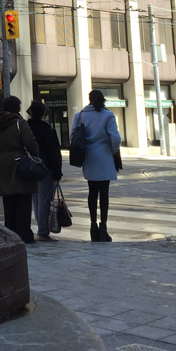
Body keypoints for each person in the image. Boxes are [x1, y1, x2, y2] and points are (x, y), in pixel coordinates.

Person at [0, 96, 39, 244]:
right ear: (17, 107)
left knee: (8, 200)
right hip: (19, 162)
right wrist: (34, 153)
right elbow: (30, 143)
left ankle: (9, 232)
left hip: (1, 163)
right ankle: (24, 234)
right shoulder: (19, 122)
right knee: (23, 199)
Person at [73, 90, 122, 242]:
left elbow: (73, 137)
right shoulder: (108, 115)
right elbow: (116, 138)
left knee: (92, 192)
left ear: (89, 99)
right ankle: (104, 227)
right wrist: (112, 152)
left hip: (89, 157)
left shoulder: (80, 115)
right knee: (104, 194)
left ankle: (93, 226)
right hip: (105, 156)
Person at [27, 100, 62, 243]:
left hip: (29, 167)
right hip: (45, 167)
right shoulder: (48, 130)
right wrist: (57, 171)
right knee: (44, 199)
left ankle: (39, 227)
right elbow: (54, 152)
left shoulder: (25, 128)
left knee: (35, 199)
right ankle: (42, 231)